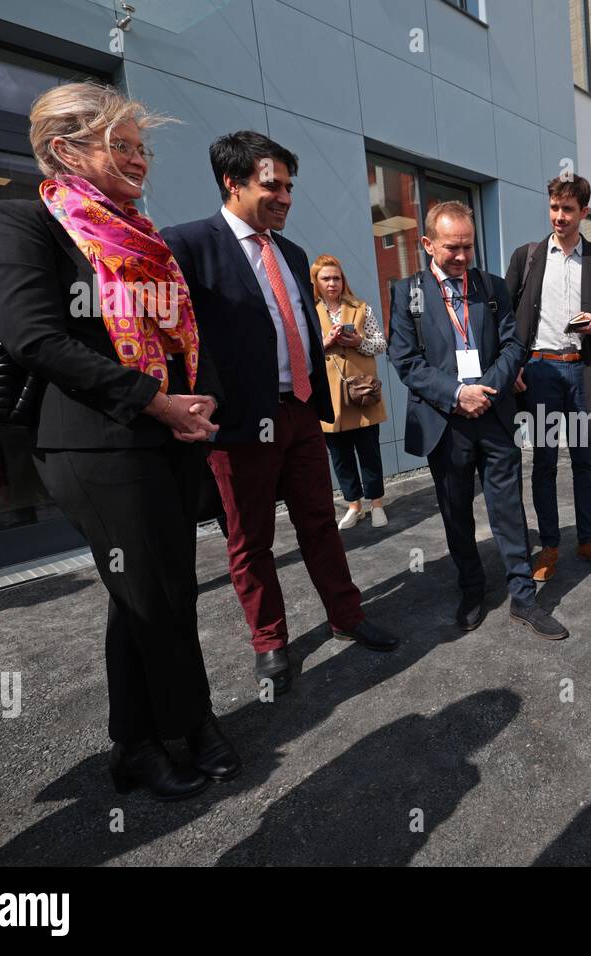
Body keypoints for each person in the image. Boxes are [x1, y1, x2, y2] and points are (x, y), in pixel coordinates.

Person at [0, 81, 239, 800]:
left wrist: (202, 398)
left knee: (151, 591)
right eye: (120, 145)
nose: (140, 160)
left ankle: (138, 741)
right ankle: (186, 729)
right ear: (64, 150)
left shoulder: (143, 232)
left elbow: (182, 329)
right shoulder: (28, 221)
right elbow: (31, 335)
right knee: (155, 597)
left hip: (170, 435)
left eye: (142, 147)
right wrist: (156, 402)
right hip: (97, 444)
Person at [162, 131, 396, 698]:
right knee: (251, 542)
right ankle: (270, 642)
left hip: (300, 416)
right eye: (274, 185)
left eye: (290, 186)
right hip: (241, 428)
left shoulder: (290, 253)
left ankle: (347, 616)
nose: (286, 197)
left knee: (321, 524)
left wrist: (315, 400)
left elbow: (303, 332)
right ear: (232, 182)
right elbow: (175, 338)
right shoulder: (187, 245)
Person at [388, 201, 568, 639]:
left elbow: (513, 346)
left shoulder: (491, 286)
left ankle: (524, 598)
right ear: (427, 243)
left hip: (493, 415)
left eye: (469, 247)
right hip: (444, 422)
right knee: (456, 513)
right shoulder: (407, 293)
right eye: (453, 248)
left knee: (508, 509)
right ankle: (471, 589)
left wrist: (486, 389)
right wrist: (456, 394)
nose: (463, 257)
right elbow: (405, 360)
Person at [505, 174, 591, 583]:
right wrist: (512, 365)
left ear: (584, 213)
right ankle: (550, 545)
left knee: (584, 462)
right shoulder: (528, 256)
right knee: (543, 464)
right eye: (554, 208)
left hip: (581, 371)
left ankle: (587, 541)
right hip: (539, 372)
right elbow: (507, 317)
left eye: (568, 210)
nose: (559, 216)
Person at [310, 254, 388, 529]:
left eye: (337, 277)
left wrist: (358, 341)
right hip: (328, 394)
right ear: (316, 282)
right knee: (340, 456)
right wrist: (325, 342)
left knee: (369, 451)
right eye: (326, 278)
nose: (332, 283)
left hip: (362, 390)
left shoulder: (360, 308)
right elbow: (303, 354)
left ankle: (376, 503)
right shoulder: (307, 310)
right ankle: (354, 505)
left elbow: (380, 344)